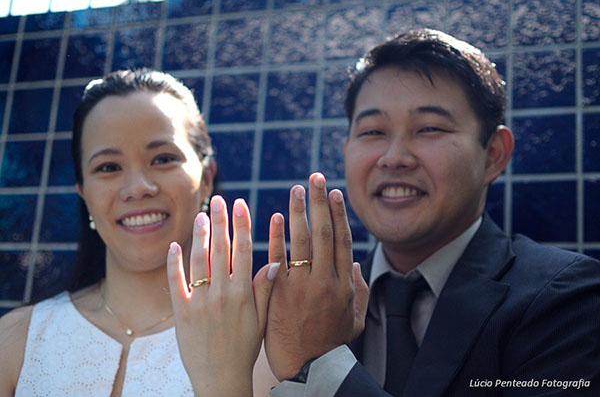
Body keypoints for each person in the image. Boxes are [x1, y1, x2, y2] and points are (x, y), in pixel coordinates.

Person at [264, 29, 600, 396]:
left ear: (493, 155)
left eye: (429, 128)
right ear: (346, 150)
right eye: (373, 131)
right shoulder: (309, 307)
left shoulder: (567, 299)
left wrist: (323, 362)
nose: (393, 157)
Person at [0, 68, 278, 396]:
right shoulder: (15, 341)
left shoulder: (268, 348)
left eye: (162, 159)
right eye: (108, 167)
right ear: (83, 192)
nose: (137, 188)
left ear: (206, 180)